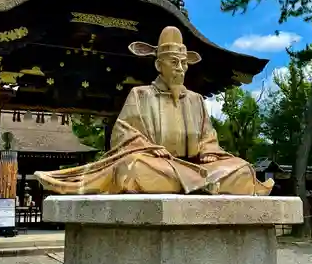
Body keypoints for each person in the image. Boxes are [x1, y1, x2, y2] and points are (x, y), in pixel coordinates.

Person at [35, 26, 273, 196]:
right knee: (134, 169)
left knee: (241, 168)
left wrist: (209, 151)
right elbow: (124, 134)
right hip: (158, 164)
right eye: (173, 62)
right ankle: (202, 184)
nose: (180, 68)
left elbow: (208, 138)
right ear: (159, 64)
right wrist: (148, 148)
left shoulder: (196, 100)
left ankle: (200, 182)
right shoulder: (141, 95)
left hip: (195, 166)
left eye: (183, 63)